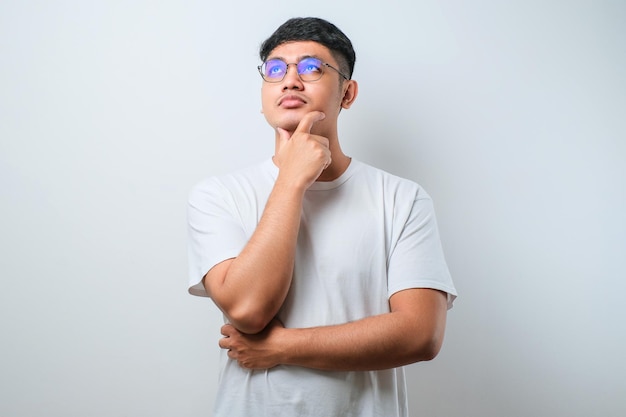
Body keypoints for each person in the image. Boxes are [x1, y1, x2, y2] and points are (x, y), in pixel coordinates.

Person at [187, 17, 457, 417]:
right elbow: (247, 309)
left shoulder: (401, 198)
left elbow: (420, 334)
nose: (291, 80)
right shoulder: (218, 196)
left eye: (312, 68)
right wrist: (292, 180)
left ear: (347, 93)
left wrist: (280, 347)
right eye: (276, 69)